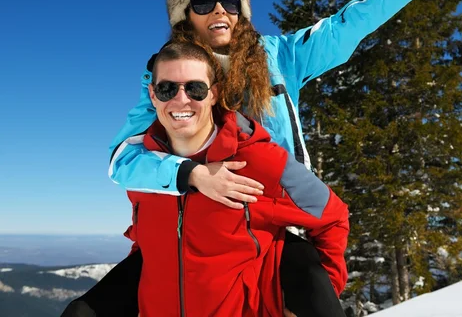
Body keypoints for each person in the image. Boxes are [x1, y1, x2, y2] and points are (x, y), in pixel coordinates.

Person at [63, 0, 444, 317]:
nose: (219, 10)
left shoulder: (277, 57)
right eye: (203, 1)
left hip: (267, 219)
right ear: (184, 14)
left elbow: (344, 27)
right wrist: (192, 175)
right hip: (191, 217)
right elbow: (123, 160)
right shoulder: (172, 77)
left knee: (313, 285)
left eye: (230, 2)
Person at [134, 41, 348, 316]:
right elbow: (144, 243)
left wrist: (320, 294)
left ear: (214, 94)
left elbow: (333, 216)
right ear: (153, 95)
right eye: (167, 89)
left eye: (195, 89)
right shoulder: (146, 170)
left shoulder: (258, 161)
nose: (181, 99)